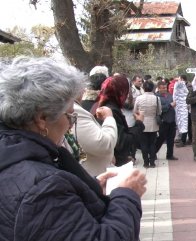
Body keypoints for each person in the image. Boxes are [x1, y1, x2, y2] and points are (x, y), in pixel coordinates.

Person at [0, 56, 147, 240]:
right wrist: (127, 195)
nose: (70, 125)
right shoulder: (43, 188)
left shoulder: (14, 160)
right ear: (42, 118)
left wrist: (88, 187)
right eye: (70, 116)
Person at [97, 75, 145, 167]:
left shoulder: (105, 105)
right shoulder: (111, 110)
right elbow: (122, 142)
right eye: (126, 90)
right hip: (114, 164)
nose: (127, 94)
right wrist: (139, 123)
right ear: (120, 92)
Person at [73, 93, 118, 176]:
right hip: (91, 175)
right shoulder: (74, 110)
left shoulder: (76, 107)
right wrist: (109, 117)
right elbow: (104, 145)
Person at [134, 81, 161, 168]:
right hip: (153, 123)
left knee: (143, 144)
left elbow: (135, 111)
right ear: (152, 88)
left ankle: (145, 162)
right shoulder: (157, 98)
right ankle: (152, 162)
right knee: (152, 143)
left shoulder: (139, 98)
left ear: (144, 88)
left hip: (142, 123)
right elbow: (159, 111)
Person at [155, 81, 178, 160]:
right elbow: (159, 109)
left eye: (166, 87)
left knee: (171, 139)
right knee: (161, 139)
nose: (165, 89)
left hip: (172, 120)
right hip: (163, 121)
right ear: (158, 88)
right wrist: (169, 105)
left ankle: (170, 155)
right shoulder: (156, 97)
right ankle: (153, 153)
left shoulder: (169, 95)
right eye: (163, 88)